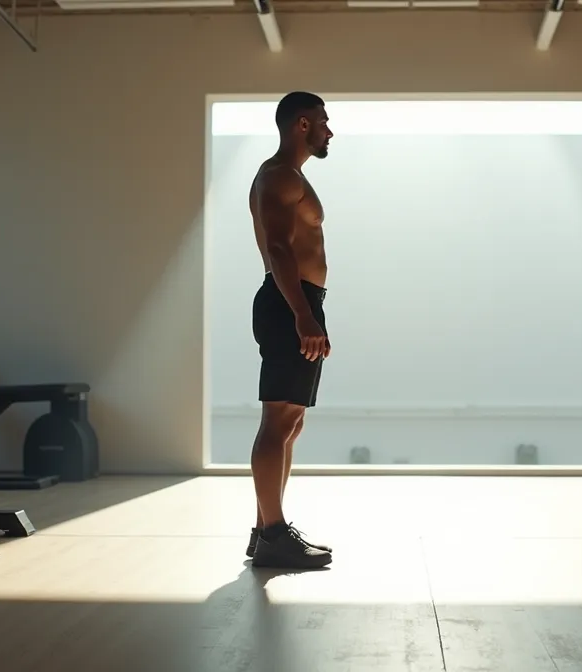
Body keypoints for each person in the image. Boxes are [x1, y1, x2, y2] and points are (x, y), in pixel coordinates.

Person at [244, 92, 335, 569]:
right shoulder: (278, 176)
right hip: (288, 301)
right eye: (323, 122)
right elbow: (279, 248)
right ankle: (274, 533)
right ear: (301, 124)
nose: (329, 131)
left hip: (299, 300)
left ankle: (266, 531)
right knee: (277, 422)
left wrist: (308, 309)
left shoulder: (290, 177)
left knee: (291, 422)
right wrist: (301, 313)